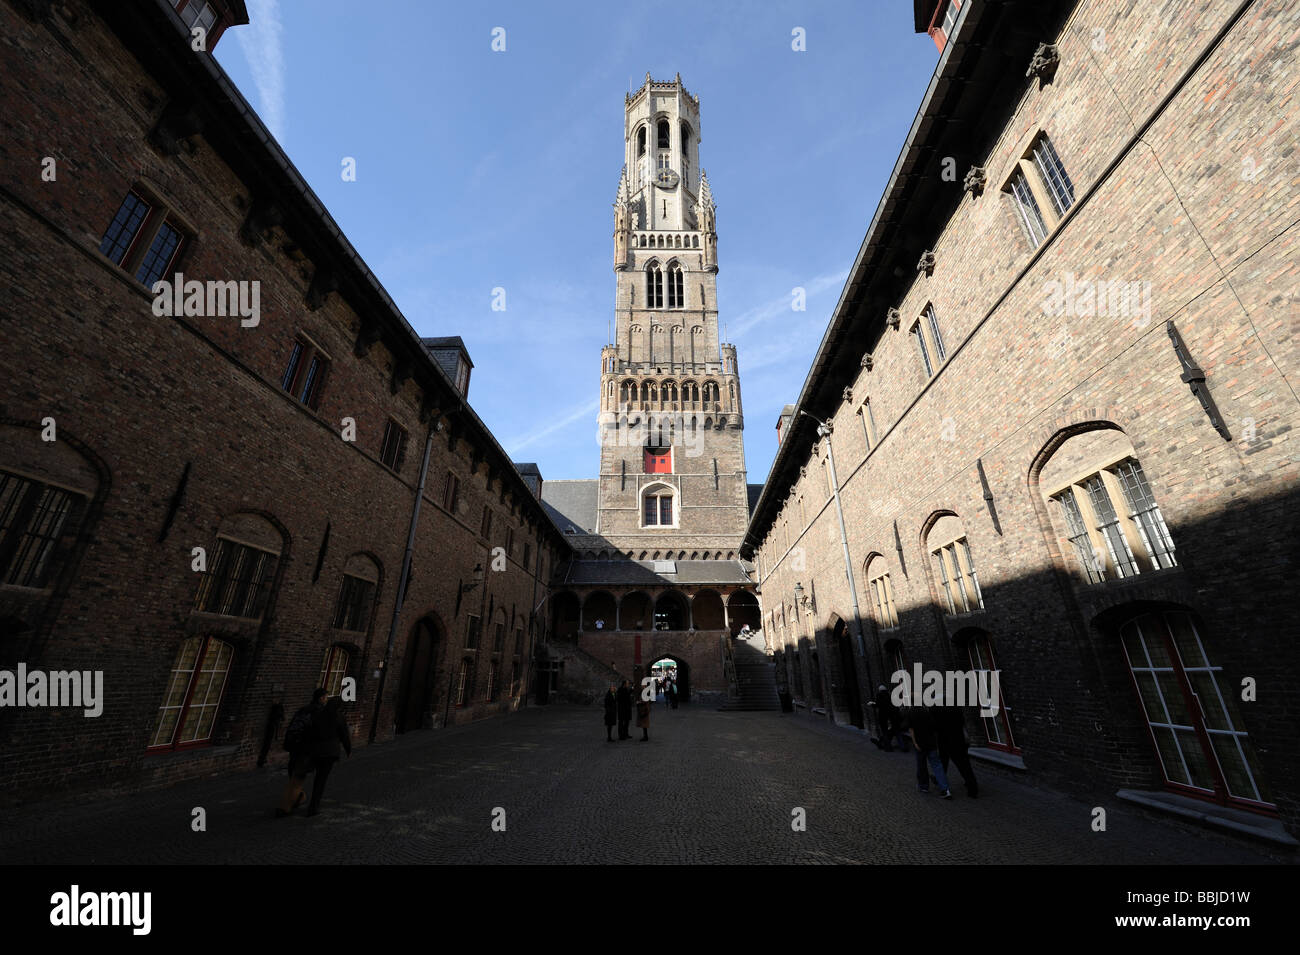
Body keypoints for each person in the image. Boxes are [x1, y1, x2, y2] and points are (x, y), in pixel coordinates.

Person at [277, 688, 326, 817]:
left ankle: (296, 799)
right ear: (321, 698)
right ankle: (286, 807)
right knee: (298, 777)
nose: (326, 700)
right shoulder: (319, 712)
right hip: (306, 748)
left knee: (294, 775)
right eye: (325, 697)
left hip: (295, 746)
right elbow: (318, 731)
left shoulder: (303, 710)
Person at [302, 694, 352, 816]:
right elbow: (344, 736)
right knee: (321, 779)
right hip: (330, 752)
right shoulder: (339, 717)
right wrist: (348, 750)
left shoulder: (318, 715)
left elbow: (309, 731)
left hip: (316, 750)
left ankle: (295, 799)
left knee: (308, 776)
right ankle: (313, 806)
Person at [902, 704, 951, 798]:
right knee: (937, 766)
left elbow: (911, 729)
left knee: (922, 765)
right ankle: (945, 789)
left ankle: (924, 786)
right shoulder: (926, 712)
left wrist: (915, 743)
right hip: (931, 743)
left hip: (920, 744)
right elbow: (934, 727)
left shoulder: (911, 713)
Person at [936, 699, 979, 797]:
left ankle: (941, 783)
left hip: (946, 742)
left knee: (946, 762)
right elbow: (962, 723)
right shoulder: (957, 710)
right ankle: (972, 787)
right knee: (964, 765)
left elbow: (936, 727)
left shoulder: (940, 712)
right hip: (959, 741)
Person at [871, 684, 905, 752]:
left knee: (885, 732)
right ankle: (903, 747)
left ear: (880, 690)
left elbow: (877, 705)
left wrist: (872, 704)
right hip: (893, 718)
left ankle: (888, 747)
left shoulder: (879, 696)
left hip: (884, 718)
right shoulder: (890, 696)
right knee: (897, 732)